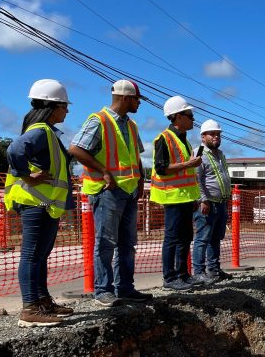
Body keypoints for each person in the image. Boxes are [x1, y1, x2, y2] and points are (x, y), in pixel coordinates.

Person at [69, 79, 152, 307]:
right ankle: (102, 290)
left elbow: (136, 155)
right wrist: (104, 171)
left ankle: (124, 288)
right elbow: (76, 148)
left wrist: (140, 181)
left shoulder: (132, 125)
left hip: (129, 190)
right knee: (106, 242)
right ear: (125, 98)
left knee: (127, 243)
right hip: (107, 192)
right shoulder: (99, 120)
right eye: (137, 99)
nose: (139, 103)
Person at [4, 79, 76, 327]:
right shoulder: (40, 131)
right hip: (35, 204)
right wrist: (26, 176)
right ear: (53, 106)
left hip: (45, 205)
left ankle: (42, 301)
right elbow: (14, 150)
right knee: (32, 254)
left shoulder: (47, 132)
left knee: (40, 255)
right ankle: (29, 308)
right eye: (65, 106)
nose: (67, 111)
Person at [150, 96, 202, 291]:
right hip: (172, 196)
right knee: (172, 238)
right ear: (178, 116)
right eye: (190, 115)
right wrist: (189, 164)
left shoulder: (185, 141)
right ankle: (169, 278)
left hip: (186, 196)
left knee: (186, 236)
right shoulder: (163, 138)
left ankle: (182, 274)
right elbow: (161, 168)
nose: (192, 119)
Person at [192, 119, 233, 284]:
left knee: (216, 238)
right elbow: (197, 180)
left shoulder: (220, 154)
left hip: (220, 202)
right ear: (203, 137)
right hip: (207, 204)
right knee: (202, 239)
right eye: (212, 134)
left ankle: (214, 270)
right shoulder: (199, 153)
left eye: (218, 134)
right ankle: (199, 272)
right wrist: (203, 200)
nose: (216, 137)